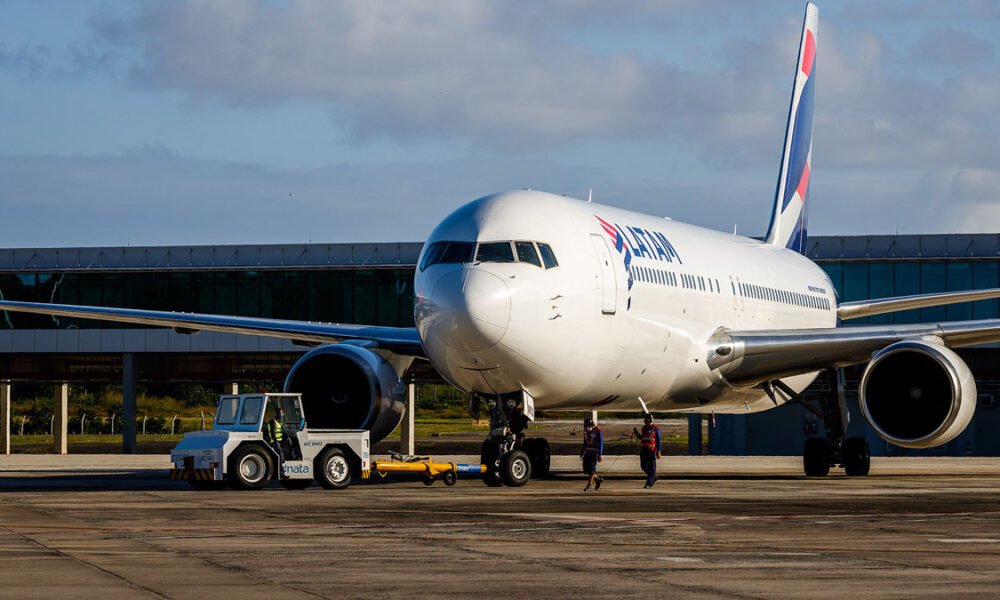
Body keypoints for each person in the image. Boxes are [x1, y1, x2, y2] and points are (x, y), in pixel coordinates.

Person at [633, 412, 661, 488]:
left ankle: (649, 483)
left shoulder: (655, 428)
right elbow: (642, 438)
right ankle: (653, 476)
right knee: (643, 466)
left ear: (649, 419)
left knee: (652, 466)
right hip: (644, 449)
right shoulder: (644, 428)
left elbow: (658, 440)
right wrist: (636, 433)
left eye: (645, 419)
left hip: (651, 450)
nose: (644, 420)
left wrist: (658, 451)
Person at [580, 416, 604, 491]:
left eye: (589, 426)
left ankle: (589, 486)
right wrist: (582, 452)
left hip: (594, 453)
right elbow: (585, 443)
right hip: (587, 452)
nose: (588, 427)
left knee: (592, 470)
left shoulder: (598, 431)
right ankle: (597, 479)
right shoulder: (586, 432)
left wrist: (600, 454)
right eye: (586, 426)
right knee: (586, 469)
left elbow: (601, 443)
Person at [264, 406, 287, 477]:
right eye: (279, 413)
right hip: (273, 441)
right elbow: (273, 433)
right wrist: (276, 443)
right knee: (280, 454)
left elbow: (282, 432)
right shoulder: (273, 421)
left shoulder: (280, 422)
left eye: (281, 413)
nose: (281, 414)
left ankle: (283, 462)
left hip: (280, 441)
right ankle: (281, 472)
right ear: (276, 413)